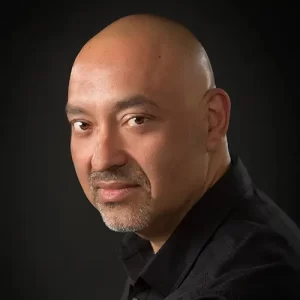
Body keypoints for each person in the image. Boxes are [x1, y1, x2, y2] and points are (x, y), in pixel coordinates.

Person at [65, 13, 300, 300]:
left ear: (212, 120)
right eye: (83, 125)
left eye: (137, 119)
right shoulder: (170, 249)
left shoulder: (245, 283)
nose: (102, 160)